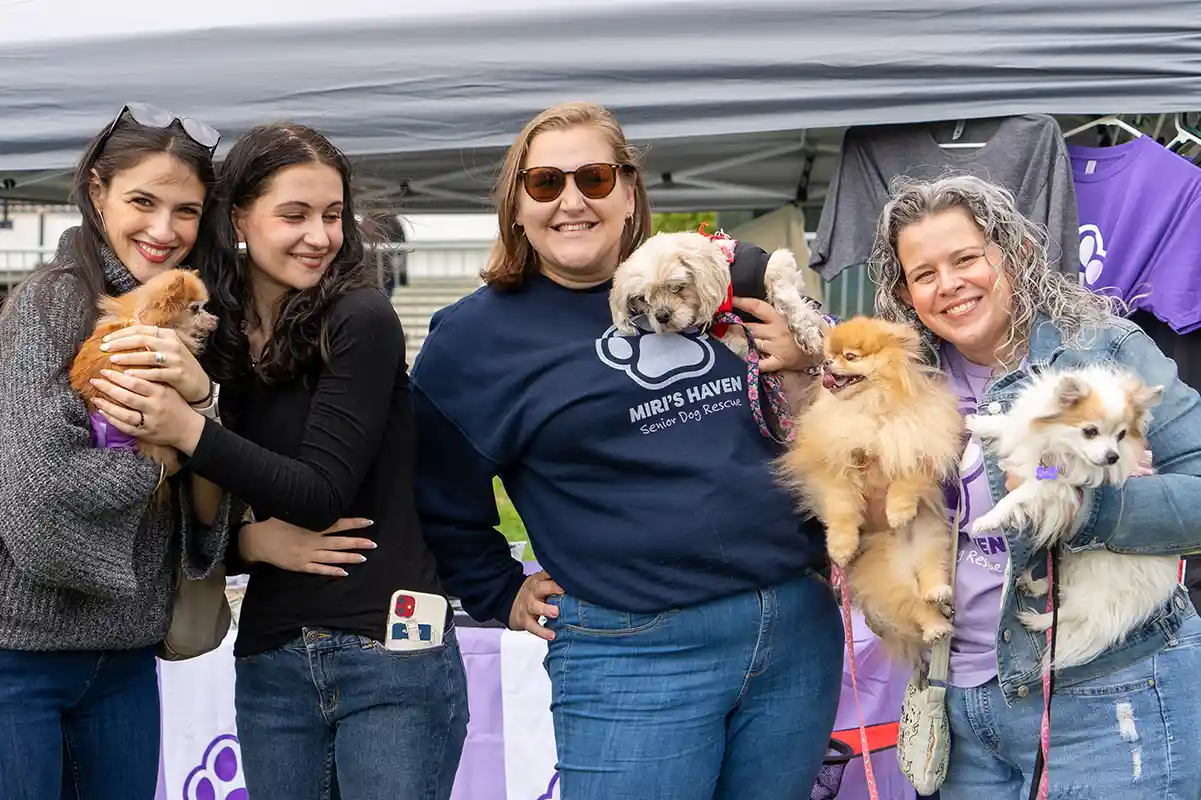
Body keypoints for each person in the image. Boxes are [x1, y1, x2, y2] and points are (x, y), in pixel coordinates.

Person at [412, 101, 843, 800]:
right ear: (515, 205)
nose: (573, 200)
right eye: (546, 183)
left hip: (792, 626)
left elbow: (831, 416)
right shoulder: (472, 340)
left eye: (595, 177)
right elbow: (439, 498)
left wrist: (801, 362)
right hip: (635, 651)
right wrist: (498, 590)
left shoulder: (715, 278)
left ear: (629, 191)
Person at [94, 121, 469, 799]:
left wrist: (187, 423)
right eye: (293, 214)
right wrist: (245, 542)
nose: (319, 236)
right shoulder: (209, 324)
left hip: (389, 647)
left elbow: (320, 492)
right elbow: (189, 510)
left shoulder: (360, 316)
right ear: (239, 214)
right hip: (272, 655)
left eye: (332, 215)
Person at [869, 173, 1201, 799]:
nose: (949, 285)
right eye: (924, 274)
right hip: (960, 708)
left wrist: (1084, 505)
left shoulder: (1104, 352)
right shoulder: (909, 385)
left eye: (966, 258)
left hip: (1107, 692)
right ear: (905, 293)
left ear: (1014, 253)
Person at [0, 104, 233, 798]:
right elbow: (39, 493)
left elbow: (212, 496)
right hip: (21, 657)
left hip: (128, 658)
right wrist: (171, 449)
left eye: (186, 211)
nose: (164, 231)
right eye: (142, 201)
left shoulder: (182, 314)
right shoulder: (50, 305)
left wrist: (201, 411)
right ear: (96, 190)